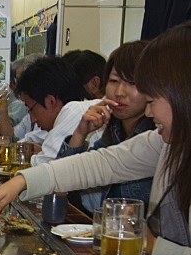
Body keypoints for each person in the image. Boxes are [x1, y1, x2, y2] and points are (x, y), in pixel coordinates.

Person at [0, 22, 191, 255]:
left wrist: (152, 245)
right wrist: (22, 181)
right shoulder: (169, 143)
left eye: (152, 101)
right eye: (114, 81)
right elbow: (101, 164)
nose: (149, 113)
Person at [56, 40, 154, 212]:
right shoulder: (113, 132)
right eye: (114, 80)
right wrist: (79, 133)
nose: (119, 92)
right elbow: (62, 185)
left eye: (132, 83)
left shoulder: (158, 140)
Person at [0, 55, 100, 165]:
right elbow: (17, 144)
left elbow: (43, 170)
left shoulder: (73, 112)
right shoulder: (70, 112)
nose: (33, 119)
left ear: (50, 101)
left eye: (31, 110)